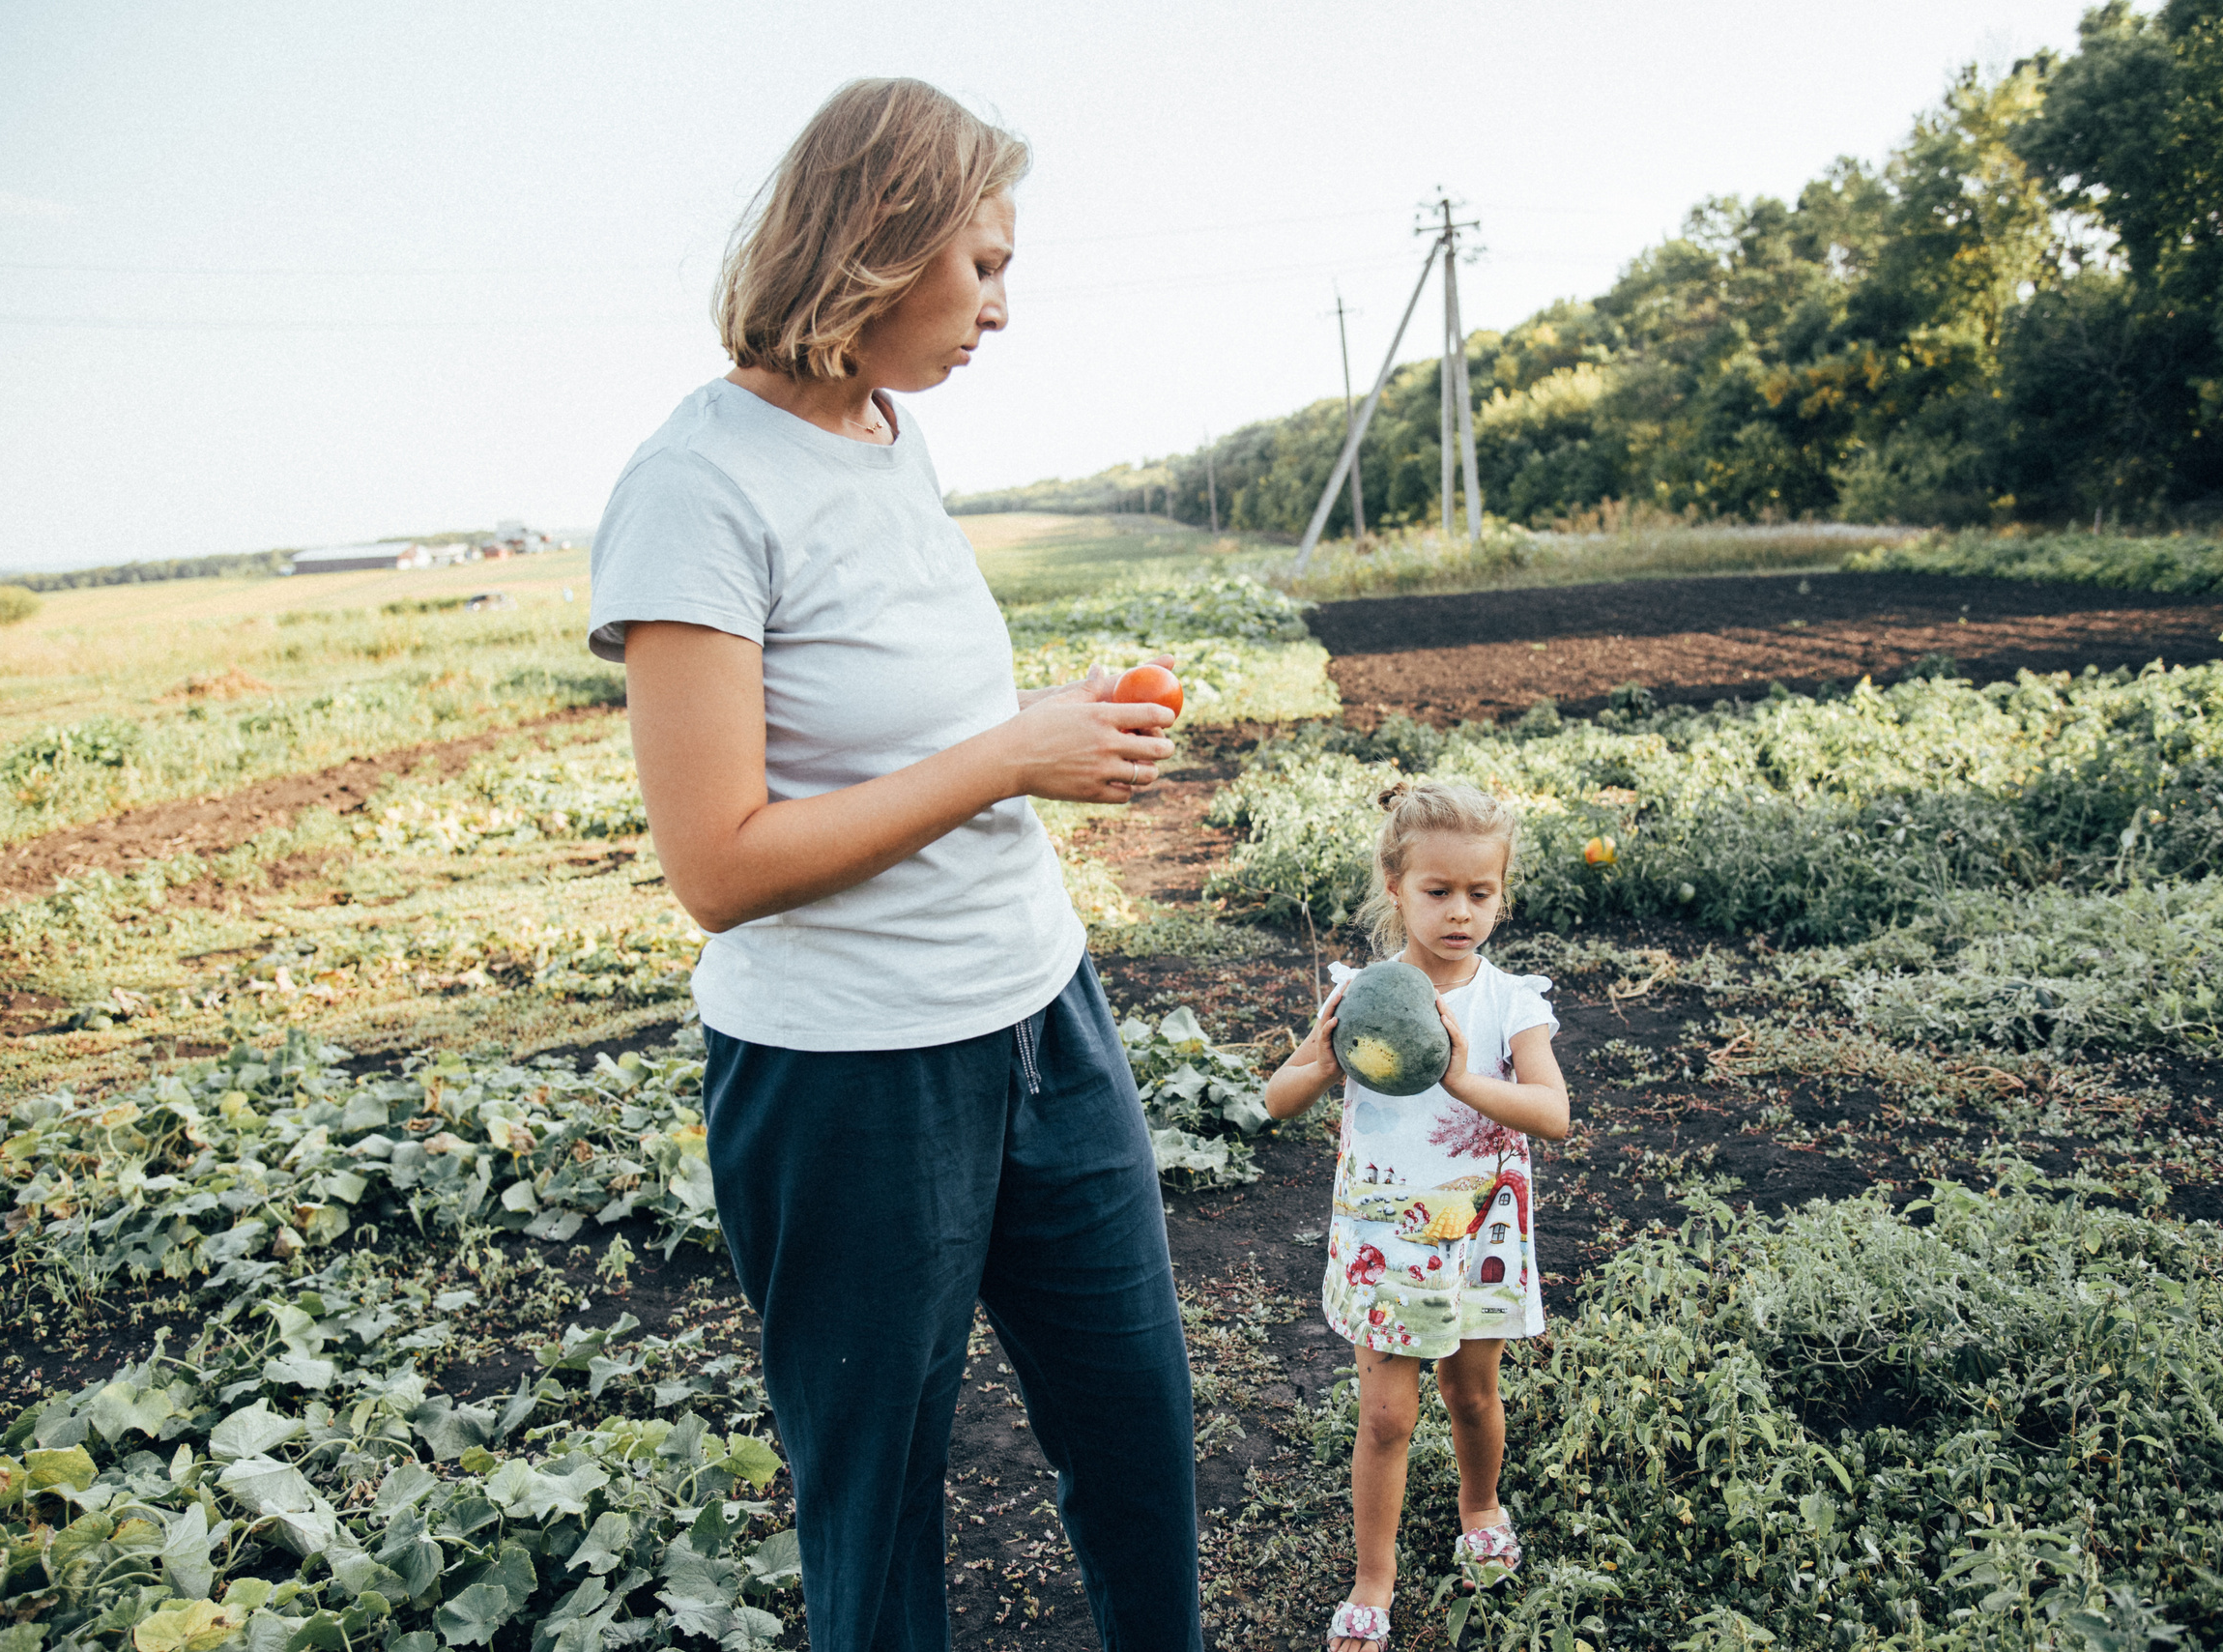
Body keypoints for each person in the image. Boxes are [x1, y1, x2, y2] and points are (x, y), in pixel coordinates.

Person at [585, 78, 1200, 1652]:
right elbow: (716, 864)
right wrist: (1010, 754)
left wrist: (1054, 726)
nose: (1005, 302)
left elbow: (888, 729)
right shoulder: (694, 487)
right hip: (848, 1077)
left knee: (1137, 1437)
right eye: (981, 264)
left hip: (1042, 1015)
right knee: (878, 1514)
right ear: (878, 242)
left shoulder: (887, 431)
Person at [1262, 781, 1571, 1652]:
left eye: (1482, 893)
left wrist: (1463, 1074)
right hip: (1387, 1238)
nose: (1461, 912)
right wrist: (1323, 1059)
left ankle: (1480, 1504)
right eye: (1439, 891)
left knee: (1472, 1391)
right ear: (1395, 886)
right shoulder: (1360, 994)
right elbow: (1277, 1100)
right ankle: (1374, 1578)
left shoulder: (1510, 1001)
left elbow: (1552, 1112)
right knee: (1387, 1415)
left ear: (1501, 894)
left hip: (1480, 1234)